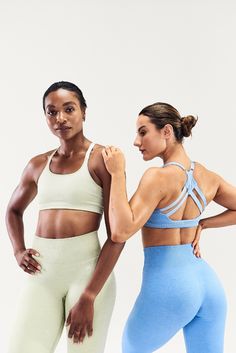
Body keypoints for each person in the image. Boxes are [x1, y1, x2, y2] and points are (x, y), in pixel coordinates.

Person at [102, 102, 236, 353]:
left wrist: (118, 173)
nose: (135, 141)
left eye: (143, 132)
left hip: (170, 286)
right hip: (209, 286)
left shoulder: (157, 177)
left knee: (130, 349)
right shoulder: (207, 176)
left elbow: (121, 231)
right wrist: (203, 223)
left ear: (166, 132)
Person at [6, 81, 124, 353]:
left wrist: (90, 295)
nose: (60, 118)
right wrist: (18, 250)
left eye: (69, 109)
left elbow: (117, 235)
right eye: (51, 111)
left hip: (87, 274)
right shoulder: (38, 164)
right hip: (43, 274)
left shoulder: (102, 160)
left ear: (83, 111)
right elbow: (13, 211)